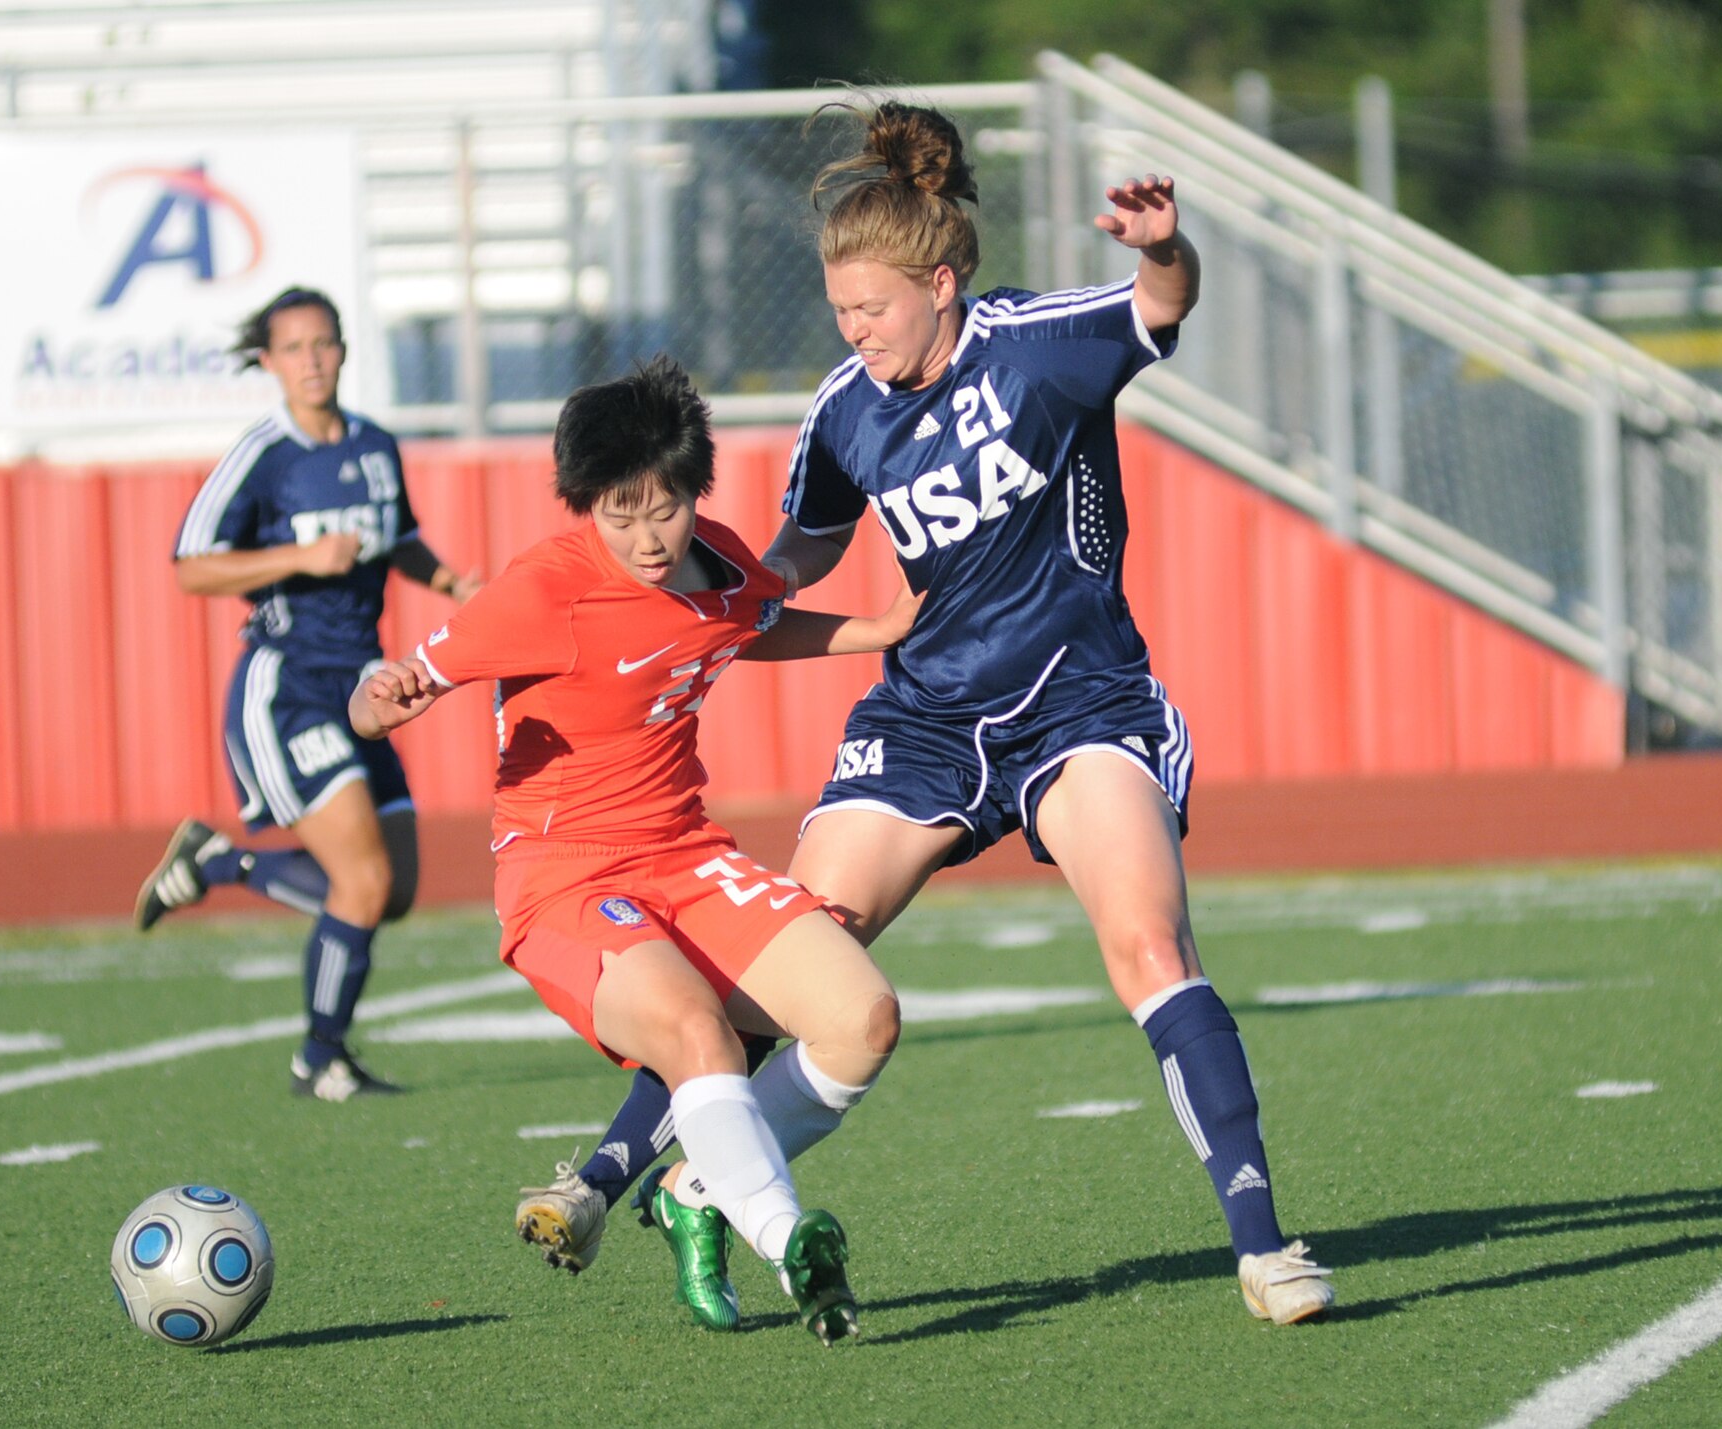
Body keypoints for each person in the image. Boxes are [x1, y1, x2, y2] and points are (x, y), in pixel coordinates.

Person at [523, 100, 1336, 1326]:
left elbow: (1161, 303)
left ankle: (1264, 1248)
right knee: (787, 961)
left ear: (942, 282)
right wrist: (695, 601)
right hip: (921, 722)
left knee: (1150, 951)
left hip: (1079, 701)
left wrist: (1161, 245)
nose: (853, 332)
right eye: (840, 310)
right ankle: (618, 1175)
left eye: (874, 309)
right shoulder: (846, 408)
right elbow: (791, 559)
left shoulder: (1039, 345)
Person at [350, 356, 914, 1345]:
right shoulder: (544, 592)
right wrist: (380, 698)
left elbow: (747, 625)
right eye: (618, 513)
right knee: (698, 1032)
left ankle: (696, 1194)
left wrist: (880, 626)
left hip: (684, 853)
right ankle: (791, 1246)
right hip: (563, 879)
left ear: (695, 492)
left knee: (861, 1019)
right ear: (585, 506)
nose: (645, 538)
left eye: (662, 509)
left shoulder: (725, 561)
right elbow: (400, 683)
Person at [133, 285, 480, 1102]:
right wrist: (297, 558)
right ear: (268, 361)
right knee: (357, 883)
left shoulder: (374, 443)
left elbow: (397, 541)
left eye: (323, 343)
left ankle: (223, 861)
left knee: (391, 891)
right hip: (287, 684)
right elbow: (190, 565)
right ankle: (320, 1057)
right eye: (294, 348)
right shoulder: (264, 453)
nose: (312, 359)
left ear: (344, 350)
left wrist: (452, 580)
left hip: (363, 680)